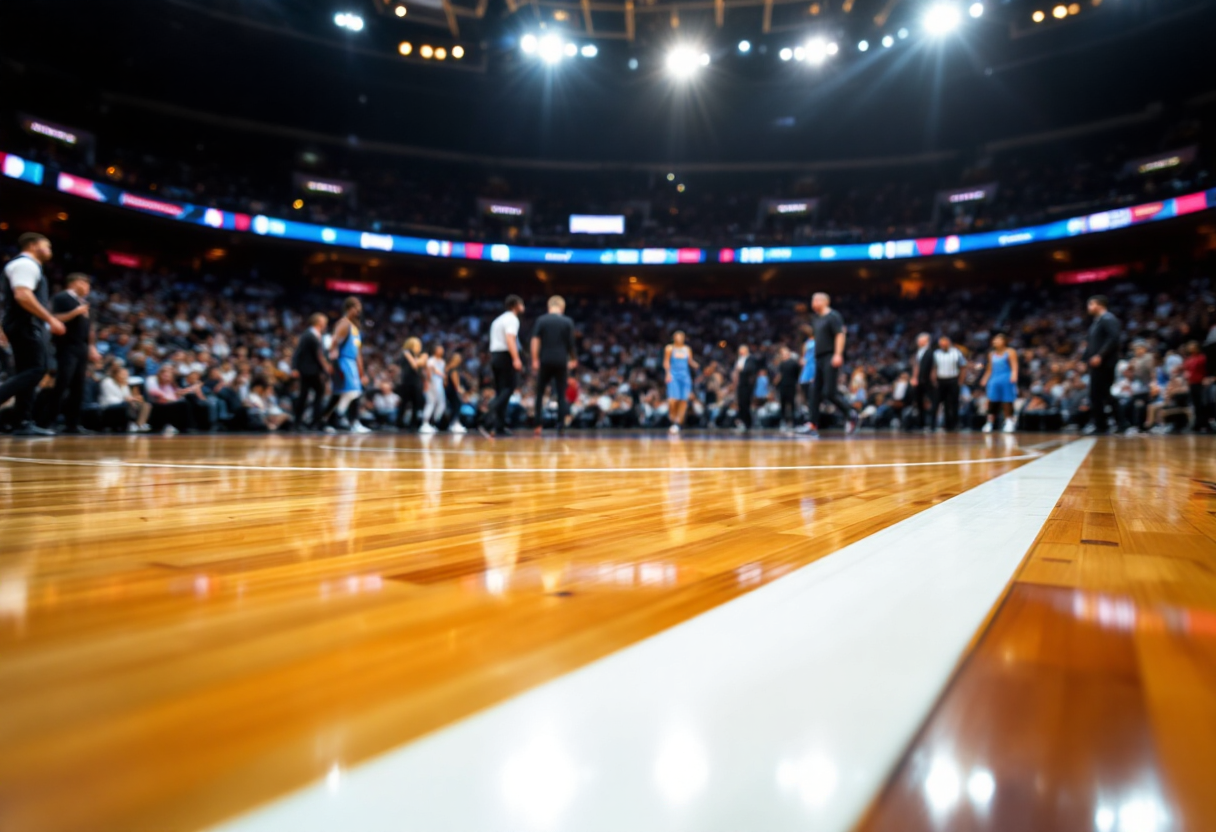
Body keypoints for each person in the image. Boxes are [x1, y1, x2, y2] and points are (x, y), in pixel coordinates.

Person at [0, 233, 65, 436]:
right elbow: (22, 295)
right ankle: (20, 418)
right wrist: (50, 319)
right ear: (34, 245)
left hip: (20, 323)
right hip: (25, 324)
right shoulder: (26, 264)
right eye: (48, 246)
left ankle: (22, 421)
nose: (50, 250)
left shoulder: (26, 265)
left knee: (26, 372)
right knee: (37, 369)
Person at [44, 273, 99, 434]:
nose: (88, 288)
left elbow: (89, 328)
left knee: (78, 386)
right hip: (66, 346)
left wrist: (92, 347)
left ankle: (72, 424)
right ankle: (47, 422)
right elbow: (55, 318)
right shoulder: (62, 297)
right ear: (76, 283)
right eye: (86, 284)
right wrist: (76, 312)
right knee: (62, 383)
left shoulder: (84, 303)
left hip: (81, 347)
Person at [804, 292, 857, 438]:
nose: (812, 303)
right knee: (814, 391)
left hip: (830, 355)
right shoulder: (815, 319)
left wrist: (838, 354)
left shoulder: (833, 316)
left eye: (814, 300)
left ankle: (850, 413)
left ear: (824, 301)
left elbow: (840, 334)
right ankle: (812, 424)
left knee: (829, 392)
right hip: (819, 358)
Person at [532, 295, 577, 436]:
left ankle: (538, 424)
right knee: (561, 393)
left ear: (549, 306)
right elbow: (571, 343)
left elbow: (535, 340)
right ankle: (561, 425)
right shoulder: (567, 321)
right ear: (562, 308)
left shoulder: (541, 320)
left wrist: (534, 359)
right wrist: (574, 358)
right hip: (561, 360)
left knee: (539, 393)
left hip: (545, 359)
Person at [483, 295, 524, 438]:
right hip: (506, 355)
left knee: (501, 390)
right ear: (515, 305)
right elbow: (510, 338)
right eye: (521, 304)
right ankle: (488, 415)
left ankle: (499, 426)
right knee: (510, 388)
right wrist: (516, 358)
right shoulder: (512, 319)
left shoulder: (498, 319)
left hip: (495, 355)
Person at [327, 297, 370, 433]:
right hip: (344, 361)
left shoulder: (355, 328)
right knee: (351, 392)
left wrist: (362, 372)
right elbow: (333, 341)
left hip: (352, 362)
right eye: (356, 307)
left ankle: (339, 419)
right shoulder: (344, 323)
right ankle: (338, 420)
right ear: (350, 308)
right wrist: (332, 360)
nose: (359, 310)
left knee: (353, 393)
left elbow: (357, 353)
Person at [1082, 295, 1121, 435]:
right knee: (1097, 395)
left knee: (1104, 394)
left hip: (1104, 363)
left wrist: (1100, 355)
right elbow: (1090, 344)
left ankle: (1120, 424)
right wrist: (1084, 360)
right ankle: (1101, 425)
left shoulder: (1108, 319)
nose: (1089, 308)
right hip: (1096, 364)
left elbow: (1114, 338)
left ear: (1099, 305)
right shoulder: (1097, 322)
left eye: (1091, 304)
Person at [292, 313, 330, 431]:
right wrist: (294, 367)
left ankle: (306, 422)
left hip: (311, 370)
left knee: (308, 395)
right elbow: (299, 352)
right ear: (319, 322)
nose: (325, 324)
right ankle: (311, 422)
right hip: (310, 370)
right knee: (313, 395)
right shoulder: (309, 334)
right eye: (324, 321)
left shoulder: (315, 335)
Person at [980, 332, 1019, 434]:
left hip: (1006, 378)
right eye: (994, 340)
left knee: (1007, 401)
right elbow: (990, 369)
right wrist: (985, 378)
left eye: (998, 340)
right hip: (994, 379)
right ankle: (989, 422)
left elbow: (1014, 365)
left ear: (1004, 341)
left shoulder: (1010, 351)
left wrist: (1014, 375)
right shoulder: (991, 354)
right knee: (992, 401)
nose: (995, 341)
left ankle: (1009, 421)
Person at [663, 330, 697, 435]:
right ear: (674, 338)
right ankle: (672, 418)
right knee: (673, 400)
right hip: (673, 376)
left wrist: (697, 365)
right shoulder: (669, 348)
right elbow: (666, 361)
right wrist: (667, 373)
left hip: (685, 377)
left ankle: (677, 423)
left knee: (683, 401)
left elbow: (690, 361)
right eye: (677, 336)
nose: (679, 338)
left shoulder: (687, 349)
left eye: (681, 336)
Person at [98, 364, 151, 432]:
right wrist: (125, 400)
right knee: (128, 405)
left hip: (123, 404)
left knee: (146, 405)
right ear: (115, 374)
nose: (125, 376)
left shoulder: (124, 384)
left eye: (126, 374)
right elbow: (109, 399)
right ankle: (130, 424)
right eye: (123, 374)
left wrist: (135, 398)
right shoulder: (107, 382)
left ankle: (139, 425)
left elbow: (128, 397)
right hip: (108, 407)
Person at [931, 335, 966, 432]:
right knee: (937, 402)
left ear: (949, 343)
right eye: (941, 343)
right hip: (940, 380)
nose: (942, 345)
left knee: (953, 403)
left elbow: (963, 367)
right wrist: (934, 380)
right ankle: (932, 425)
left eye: (944, 342)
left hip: (953, 379)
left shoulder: (957, 352)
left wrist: (961, 381)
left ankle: (953, 425)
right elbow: (934, 368)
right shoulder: (936, 353)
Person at [395, 337, 426, 431]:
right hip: (406, 380)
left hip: (416, 381)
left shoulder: (421, 355)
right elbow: (410, 365)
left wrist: (411, 356)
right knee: (404, 403)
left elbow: (417, 364)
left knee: (416, 403)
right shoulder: (404, 353)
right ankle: (399, 422)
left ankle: (413, 423)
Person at [910, 332, 936, 432]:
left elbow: (933, 368)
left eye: (920, 339)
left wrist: (932, 380)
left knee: (931, 402)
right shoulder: (918, 352)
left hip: (928, 381)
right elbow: (916, 366)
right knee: (919, 402)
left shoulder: (931, 352)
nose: (918, 341)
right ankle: (921, 423)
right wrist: (914, 378)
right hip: (919, 381)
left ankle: (931, 424)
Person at [732, 344, 760, 432]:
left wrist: (742, 369)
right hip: (740, 384)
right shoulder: (739, 359)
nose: (740, 352)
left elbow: (751, 369)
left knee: (745, 403)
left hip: (747, 385)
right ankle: (742, 422)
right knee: (741, 404)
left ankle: (748, 424)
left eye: (742, 350)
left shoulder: (751, 358)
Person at [420, 343, 446, 434]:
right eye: (440, 349)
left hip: (439, 386)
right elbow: (429, 371)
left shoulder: (442, 361)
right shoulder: (431, 360)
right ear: (435, 350)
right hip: (432, 384)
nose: (442, 351)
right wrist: (427, 382)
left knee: (442, 404)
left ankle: (434, 422)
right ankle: (425, 423)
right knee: (430, 403)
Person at [775, 345, 801, 431]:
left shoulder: (793, 363)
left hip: (790, 386)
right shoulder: (782, 364)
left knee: (790, 404)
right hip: (785, 386)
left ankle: (791, 422)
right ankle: (785, 422)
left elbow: (797, 375)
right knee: (785, 404)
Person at [797, 325, 816, 430]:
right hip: (806, 372)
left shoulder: (818, 341)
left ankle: (813, 422)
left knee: (813, 399)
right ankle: (810, 422)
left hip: (813, 371)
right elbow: (803, 358)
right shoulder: (806, 343)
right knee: (808, 399)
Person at [445, 353, 469, 434]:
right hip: (453, 391)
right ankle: (455, 424)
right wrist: (462, 391)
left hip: (448, 390)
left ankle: (452, 424)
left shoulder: (447, 367)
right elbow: (456, 384)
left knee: (453, 407)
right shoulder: (454, 369)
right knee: (456, 407)